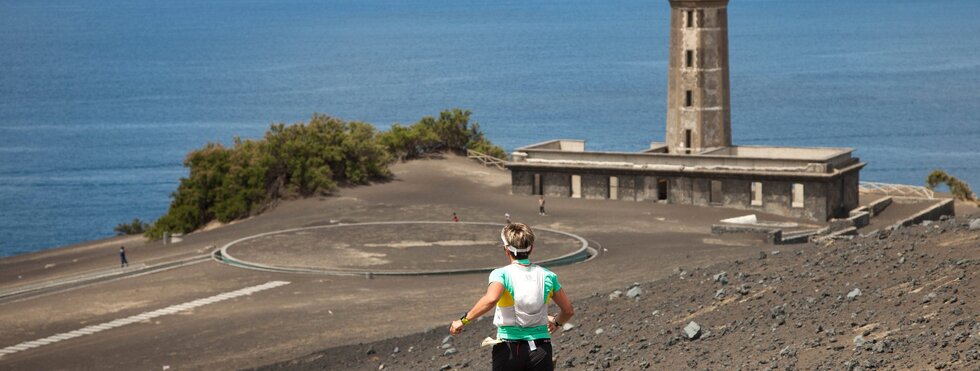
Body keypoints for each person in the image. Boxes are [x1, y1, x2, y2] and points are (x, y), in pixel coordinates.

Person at [449, 223, 574, 371]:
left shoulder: (501, 274)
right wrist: (557, 323)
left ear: (506, 250)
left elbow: (491, 299)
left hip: (510, 348)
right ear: (531, 248)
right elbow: (568, 310)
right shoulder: (548, 276)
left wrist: (463, 320)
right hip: (541, 349)